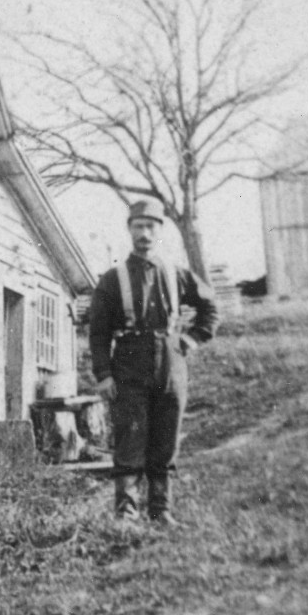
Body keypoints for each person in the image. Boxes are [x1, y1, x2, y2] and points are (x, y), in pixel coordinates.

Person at [89, 200, 219, 526]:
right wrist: (104, 375)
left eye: (151, 227)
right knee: (130, 437)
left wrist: (188, 341)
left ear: (160, 230)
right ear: (129, 229)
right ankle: (126, 515)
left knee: (166, 438)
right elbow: (98, 333)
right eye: (138, 226)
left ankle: (161, 512)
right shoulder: (112, 279)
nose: (145, 234)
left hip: (171, 363)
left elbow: (211, 309)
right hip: (129, 360)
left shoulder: (177, 275)